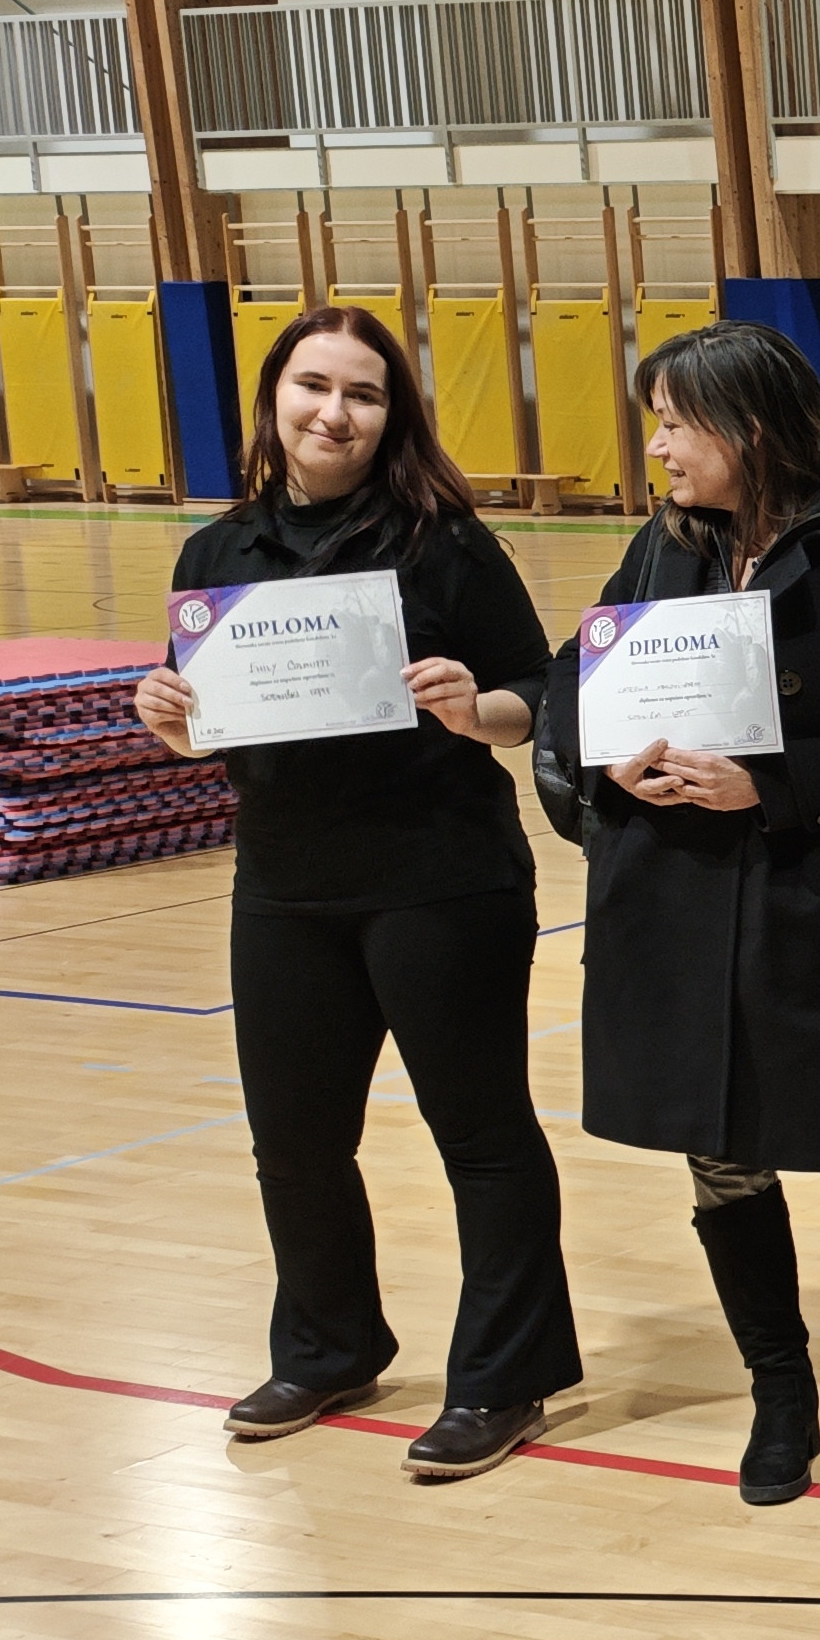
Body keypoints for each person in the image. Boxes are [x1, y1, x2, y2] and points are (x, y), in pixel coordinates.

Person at [137, 305, 579, 1479]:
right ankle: (332, 1345)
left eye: (363, 395)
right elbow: (216, 733)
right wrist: (173, 725)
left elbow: (542, 692)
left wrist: (469, 709)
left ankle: (507, 1376)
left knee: (479, 1138)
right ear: (275, 396)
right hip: (285, 887)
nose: (334, 413)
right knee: (294, 1144)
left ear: (394, 417)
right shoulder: (215, 557)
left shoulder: (445, 545)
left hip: (442, 879)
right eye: (314, 386)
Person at [563, 321, 820, 1504]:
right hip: (682, 905)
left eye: (674, 423)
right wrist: (611, 767)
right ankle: (780, 1392)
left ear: (748, 430)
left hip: (819, 903)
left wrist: (775, 786)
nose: (657, 448)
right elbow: (583, 688)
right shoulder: (656, 550)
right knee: (722, 1165)